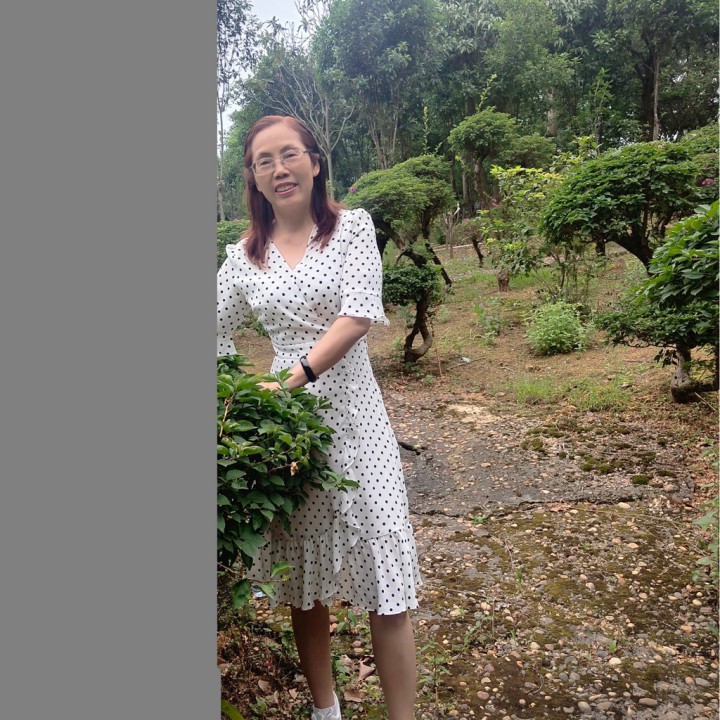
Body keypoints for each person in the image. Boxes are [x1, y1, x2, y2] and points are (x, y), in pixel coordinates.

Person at [217, 115, 422, 720]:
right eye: (264, 161)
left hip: (357, 419)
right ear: (253, 177)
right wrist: (234, 396)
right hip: (289, 436)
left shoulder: (351, 229)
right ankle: (325, 710)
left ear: (313, 162)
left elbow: (357, 316)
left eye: (289, 155)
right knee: (304, 586)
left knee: (387, 579)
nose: (278, 169)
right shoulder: (243, 257)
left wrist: (292, 377)